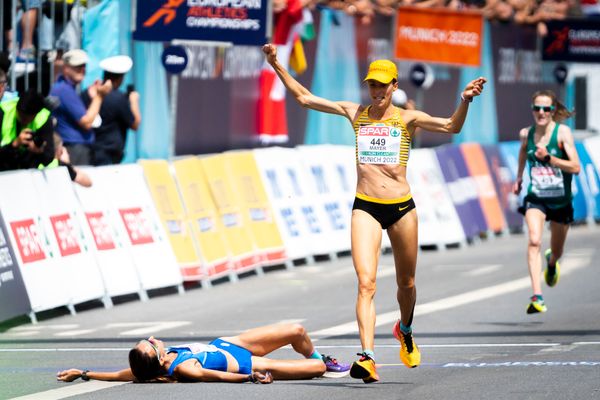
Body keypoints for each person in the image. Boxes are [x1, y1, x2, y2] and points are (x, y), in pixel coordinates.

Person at [262, 43, 486, 383]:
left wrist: (465, 99)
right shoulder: (357, 114)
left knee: (406, 283)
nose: (378, 91)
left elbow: (452, 127)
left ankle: (405, 329)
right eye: (372, 85)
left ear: (395, 86)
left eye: (383, 85)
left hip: (401, 209)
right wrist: (277, 64)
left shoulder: (408, 118)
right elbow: (305, 99)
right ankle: (367, 356)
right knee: (365, 283)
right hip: (365, 207)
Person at [56, 323, 350, 383]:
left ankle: (318, 355)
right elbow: (212, 375)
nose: (154, 339)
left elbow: (125, 374)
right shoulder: (182, 369)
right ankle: (321, 363)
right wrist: (248, 378)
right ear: (158, 359)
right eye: (150, 344)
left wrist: (84, 373)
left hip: (230, 342)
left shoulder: (155, 363)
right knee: (317, 372)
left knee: (297, 331)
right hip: (247, 362)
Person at [513, 90, 580, 314]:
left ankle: (552, 263)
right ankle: (537, 296)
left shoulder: (562, 134)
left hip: (561, 201)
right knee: (534, 241)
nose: (541, 113)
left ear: (553, 111)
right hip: (537, 198)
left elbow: (576, 167)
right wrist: (519, 177)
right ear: (532, 110)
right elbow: (523, 152)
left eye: (546, 109)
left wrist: (549, 158)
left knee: (557, 250)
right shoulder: (526, 134)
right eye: (537, 108)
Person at [50, 49, 112, 165]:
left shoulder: (66, 88)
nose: (82, 69)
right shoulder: (64, 90)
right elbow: (87, 122)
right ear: (66, 67)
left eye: (84, 65)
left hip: (76, 148)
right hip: (74, 149)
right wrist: (99, 96)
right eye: (77, 66)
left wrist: (94, 96)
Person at [81, 55, 141, 165]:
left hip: (90, 151)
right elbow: (135, 124)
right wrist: (134, 101)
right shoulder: (118, 98)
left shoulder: (88, 93)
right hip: (109, 154)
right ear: (120, 78)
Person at [0, 89, 54, 171]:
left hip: (30, 172)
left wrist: (39, 151)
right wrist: (15, 144)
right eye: (20, 116)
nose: (23, 121)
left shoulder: (44, 118)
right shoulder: (3, 111)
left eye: (26, 119)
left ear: (36, 114)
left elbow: (49, 157)